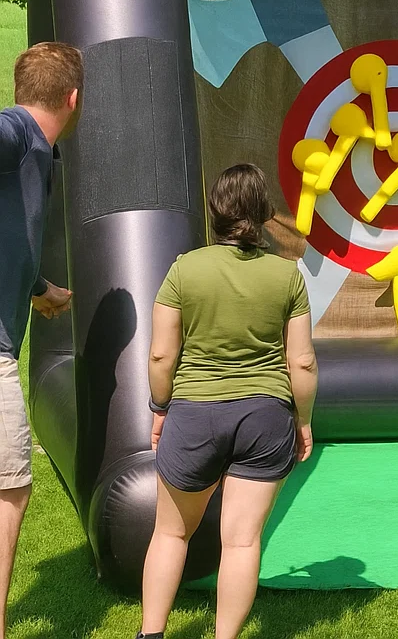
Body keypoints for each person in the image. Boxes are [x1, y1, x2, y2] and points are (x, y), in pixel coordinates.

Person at [139, 164, 318, 639]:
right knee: (241, 542)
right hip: (265, 416)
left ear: (214, 212)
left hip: (194, 413)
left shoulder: (183, 269)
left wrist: (160, 409)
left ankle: (151, 633)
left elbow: (161, 354)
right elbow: (301, 364)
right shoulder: (287, 276)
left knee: (171, 533)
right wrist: (303, 421)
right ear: (262, 213)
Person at [0, 42, 80, 639]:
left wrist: (38, 287)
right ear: (73, 98)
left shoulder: (34, 153)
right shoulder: (17, 133)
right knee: (9, 489)